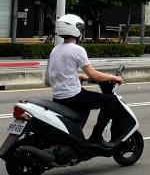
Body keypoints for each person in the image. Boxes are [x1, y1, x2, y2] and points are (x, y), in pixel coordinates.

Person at [46, 13, 123, 149]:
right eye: (80, 28)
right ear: (75, 30)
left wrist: (79, 77)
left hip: (58, 96)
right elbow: (93, 74)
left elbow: (53, 76)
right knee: (111, 101)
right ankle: (97, 138)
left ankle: (75, 137)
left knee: (87, 101)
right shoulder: (78, 50)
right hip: (72, 96)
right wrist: (113, 77)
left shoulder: (56, 50)